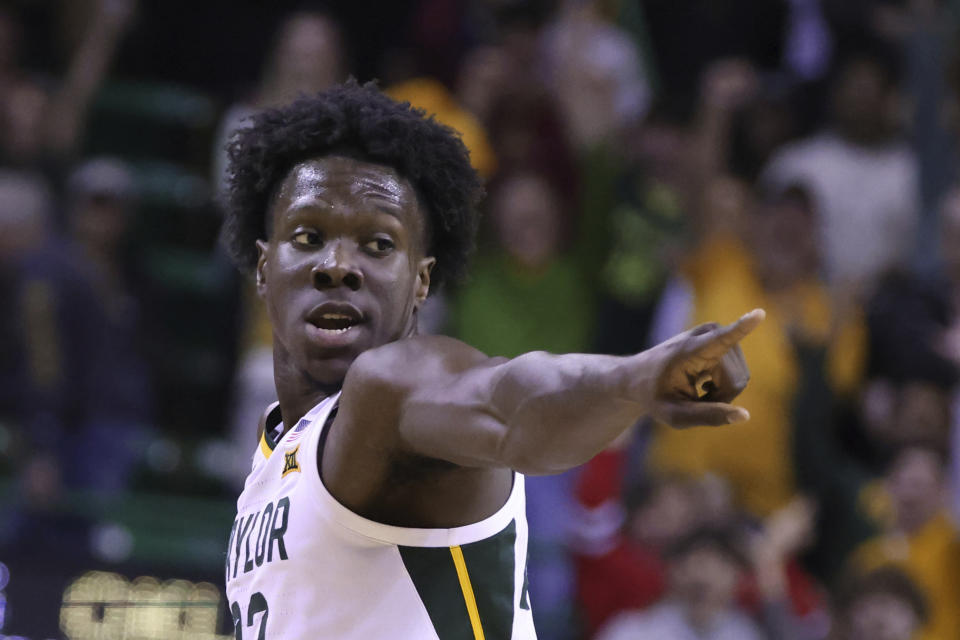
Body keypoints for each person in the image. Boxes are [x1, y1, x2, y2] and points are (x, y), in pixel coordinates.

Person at [221, 81, 763, 639]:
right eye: (308, 236)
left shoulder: (396, 387)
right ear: (264, 268)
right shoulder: (273, 452)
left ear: (421, 281)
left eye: (378, 245)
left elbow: (507, 401)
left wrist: (634, 379)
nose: (338, 265)